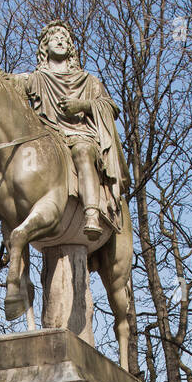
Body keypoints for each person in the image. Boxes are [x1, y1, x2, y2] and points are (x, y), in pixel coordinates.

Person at [16, 21, 128, 238]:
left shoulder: (88, 81)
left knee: (83, 151)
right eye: (54, 38)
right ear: (44, 47)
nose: (60, 41)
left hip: (80, 135)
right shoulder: (35, 79)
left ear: (71, 48)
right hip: (47, 139)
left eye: (64, 38)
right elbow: (6, 85)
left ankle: (92, 213)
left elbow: (111, 108)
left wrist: (83, 105)